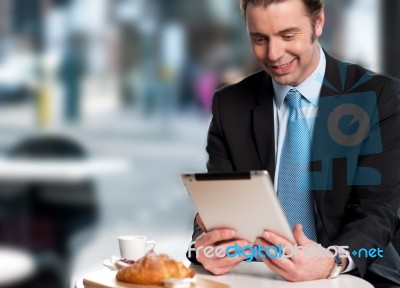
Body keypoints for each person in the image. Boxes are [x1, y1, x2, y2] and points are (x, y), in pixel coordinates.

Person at [186, 0, 400, 287]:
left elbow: (380, 212)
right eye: (259, 39)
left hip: (352, 276)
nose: (273, 54)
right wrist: (203, 248)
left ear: (318, 23)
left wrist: (332, 260)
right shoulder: (230, 105)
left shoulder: (378, 96)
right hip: (256, 278)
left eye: (288, 36)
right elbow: (216, 211)